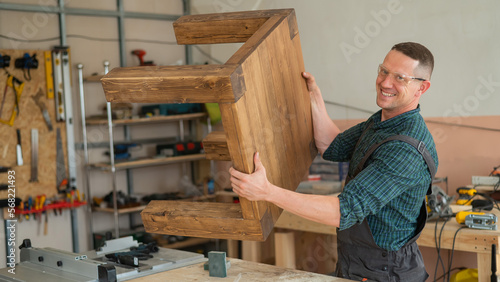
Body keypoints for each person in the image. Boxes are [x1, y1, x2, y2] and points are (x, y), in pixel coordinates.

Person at [229, 42, 438, 282]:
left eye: (400, 77)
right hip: (358, 264)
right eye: (383, 71)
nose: (385, 83)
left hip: (386, 272)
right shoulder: (382, 122)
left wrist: (267, 192)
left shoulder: (404, 149)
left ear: (422, 87)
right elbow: (331, 146)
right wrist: (315, 99)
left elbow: (344, 210)